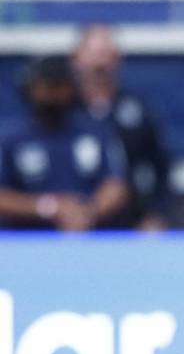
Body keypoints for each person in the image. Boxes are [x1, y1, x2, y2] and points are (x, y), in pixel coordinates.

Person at [0, 55, 129, 231]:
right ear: (30, 88)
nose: (51, 94)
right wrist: (47, 208)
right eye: (46, 86)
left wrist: (88, 212)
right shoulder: (11, 139)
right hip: (27, 241)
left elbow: (116, 186)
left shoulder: (96, 133)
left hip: (88, 236)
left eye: (59, 86)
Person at [72, 24, 173, 231]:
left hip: (130, 226)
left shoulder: (137, 111)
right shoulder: (62, 112)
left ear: (118, 59)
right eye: (92, 54)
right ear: (76, 59)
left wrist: (156, 215)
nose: (99, 62)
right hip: (71, 225)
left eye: (105, 54)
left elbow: (161, 168)